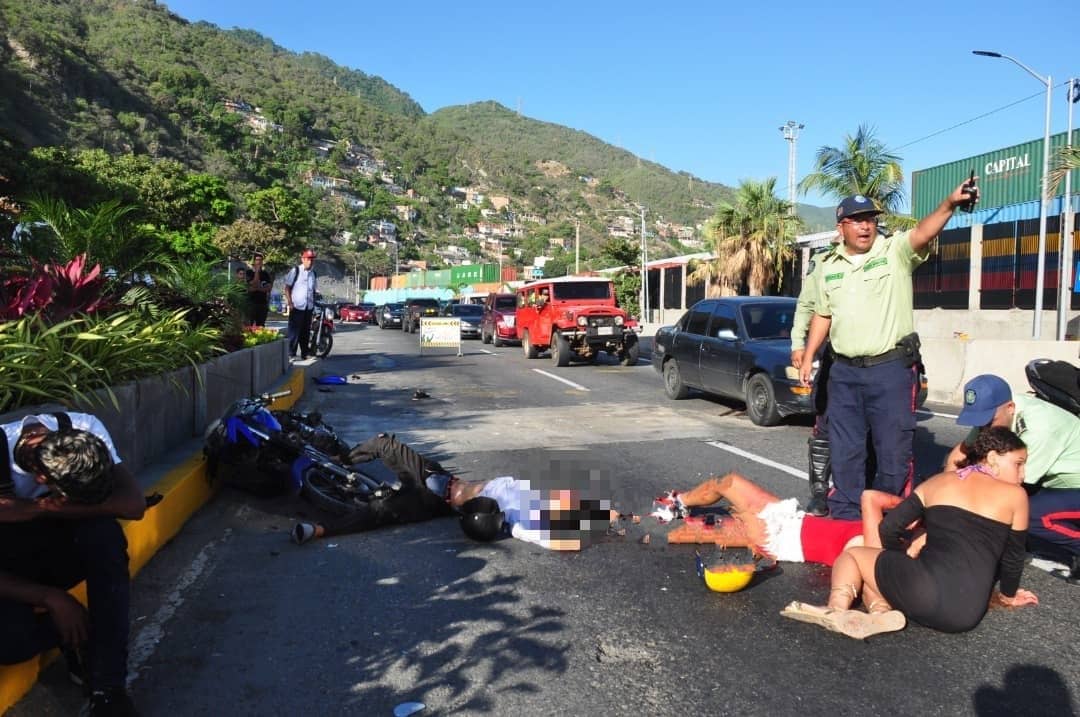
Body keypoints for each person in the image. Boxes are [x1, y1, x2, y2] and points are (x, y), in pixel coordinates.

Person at [798, 180, 978, 519]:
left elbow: (923, 232)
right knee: (846, 450)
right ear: (842, 227)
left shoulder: (894, 251)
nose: (866, 225)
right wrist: (808, 356)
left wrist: (949, 203)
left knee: (893, 451)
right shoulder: (829, 268)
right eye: (856, 219)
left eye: (870, 218)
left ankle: (891, 519)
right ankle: (848, 517)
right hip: (844, 373)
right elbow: (823, 314)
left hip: (890, 370)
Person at [782, 426, 1038, 639]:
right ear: (992, 458)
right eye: (1018, 464)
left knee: (854, 555)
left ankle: (838, 607)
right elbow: (1013, 557)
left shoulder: (937, 483)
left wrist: (899, 558)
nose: (1023, 474)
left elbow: (889, 527)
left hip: (918, 595)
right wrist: (1008, 595)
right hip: (965, 615)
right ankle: (879, 612)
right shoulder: (1016, 496)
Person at [1, 413, 147, 716]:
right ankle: (76, 633)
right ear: (42, 478)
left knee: (103, 533)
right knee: (11, 643)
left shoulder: (83, 428)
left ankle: (108, 687)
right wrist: (50, 597)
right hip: (10, 565)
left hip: (62, 551)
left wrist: (38, 509)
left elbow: (133, 504)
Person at [290, 434, 613, 551]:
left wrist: (589, 529)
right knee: (383, 443)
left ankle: (321, 529)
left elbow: (546, 537)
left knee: (379, 514)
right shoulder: (519, 497)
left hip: (430, 499)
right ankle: (340, 460)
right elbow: (556, 504)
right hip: (435, 476)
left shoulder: (511, 519)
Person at [945, 374, 1080, 584]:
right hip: (1055, 484)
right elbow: (961, 454)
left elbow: (1007, 486)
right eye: (980, 423)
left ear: (1009, 408)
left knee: (1029, 513)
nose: (984, 429)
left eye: (989, 422)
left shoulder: (1040, 427)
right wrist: (942, 494)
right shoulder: (995, 412)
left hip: (1075, 486)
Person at [650, 474, 912, 567]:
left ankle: (665, 509)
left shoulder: (874, 552)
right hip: (791, 519)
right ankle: (677, 505)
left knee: (721, 491)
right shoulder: (892, 536)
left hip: (779, 537)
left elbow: (873, 499)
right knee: (723, 489)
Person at [284, 249, 318, 359]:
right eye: (308, 259)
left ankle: (305, 353)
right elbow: (287, 288)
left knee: (305, 332)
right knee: (294, 332)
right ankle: (291, 353)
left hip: (308, 307)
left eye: (312, 259)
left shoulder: (313, 274)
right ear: (302, 259)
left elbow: (313, 290)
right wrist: (290, 303)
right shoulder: (296, 271)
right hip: (297, 307)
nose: (310, 261)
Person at [244, 252, 273, 327]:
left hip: (262, 303)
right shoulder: (249, 272)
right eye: (257, 260)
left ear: (262, 261)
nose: (259, 262)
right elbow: (254, 283)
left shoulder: (265, 274)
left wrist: (257, 288)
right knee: (249, 325)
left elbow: (268, 288)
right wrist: (256, 271)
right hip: (251, 303)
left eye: (260, 260)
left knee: (261, 326)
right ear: (254, 261)